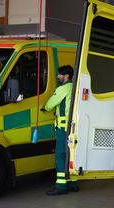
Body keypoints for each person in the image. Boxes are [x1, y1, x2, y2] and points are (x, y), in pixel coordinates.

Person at [45, 65, 79, 196]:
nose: (58, 76)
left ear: (67, 76)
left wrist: (45, 107)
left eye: (60, 74)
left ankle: (61, 185)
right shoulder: (75, 87)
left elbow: (49, 105)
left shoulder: (63, 88)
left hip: (63, 129)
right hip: (74, 128)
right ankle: (73, 183)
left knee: (60, 155)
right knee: (72, 155)